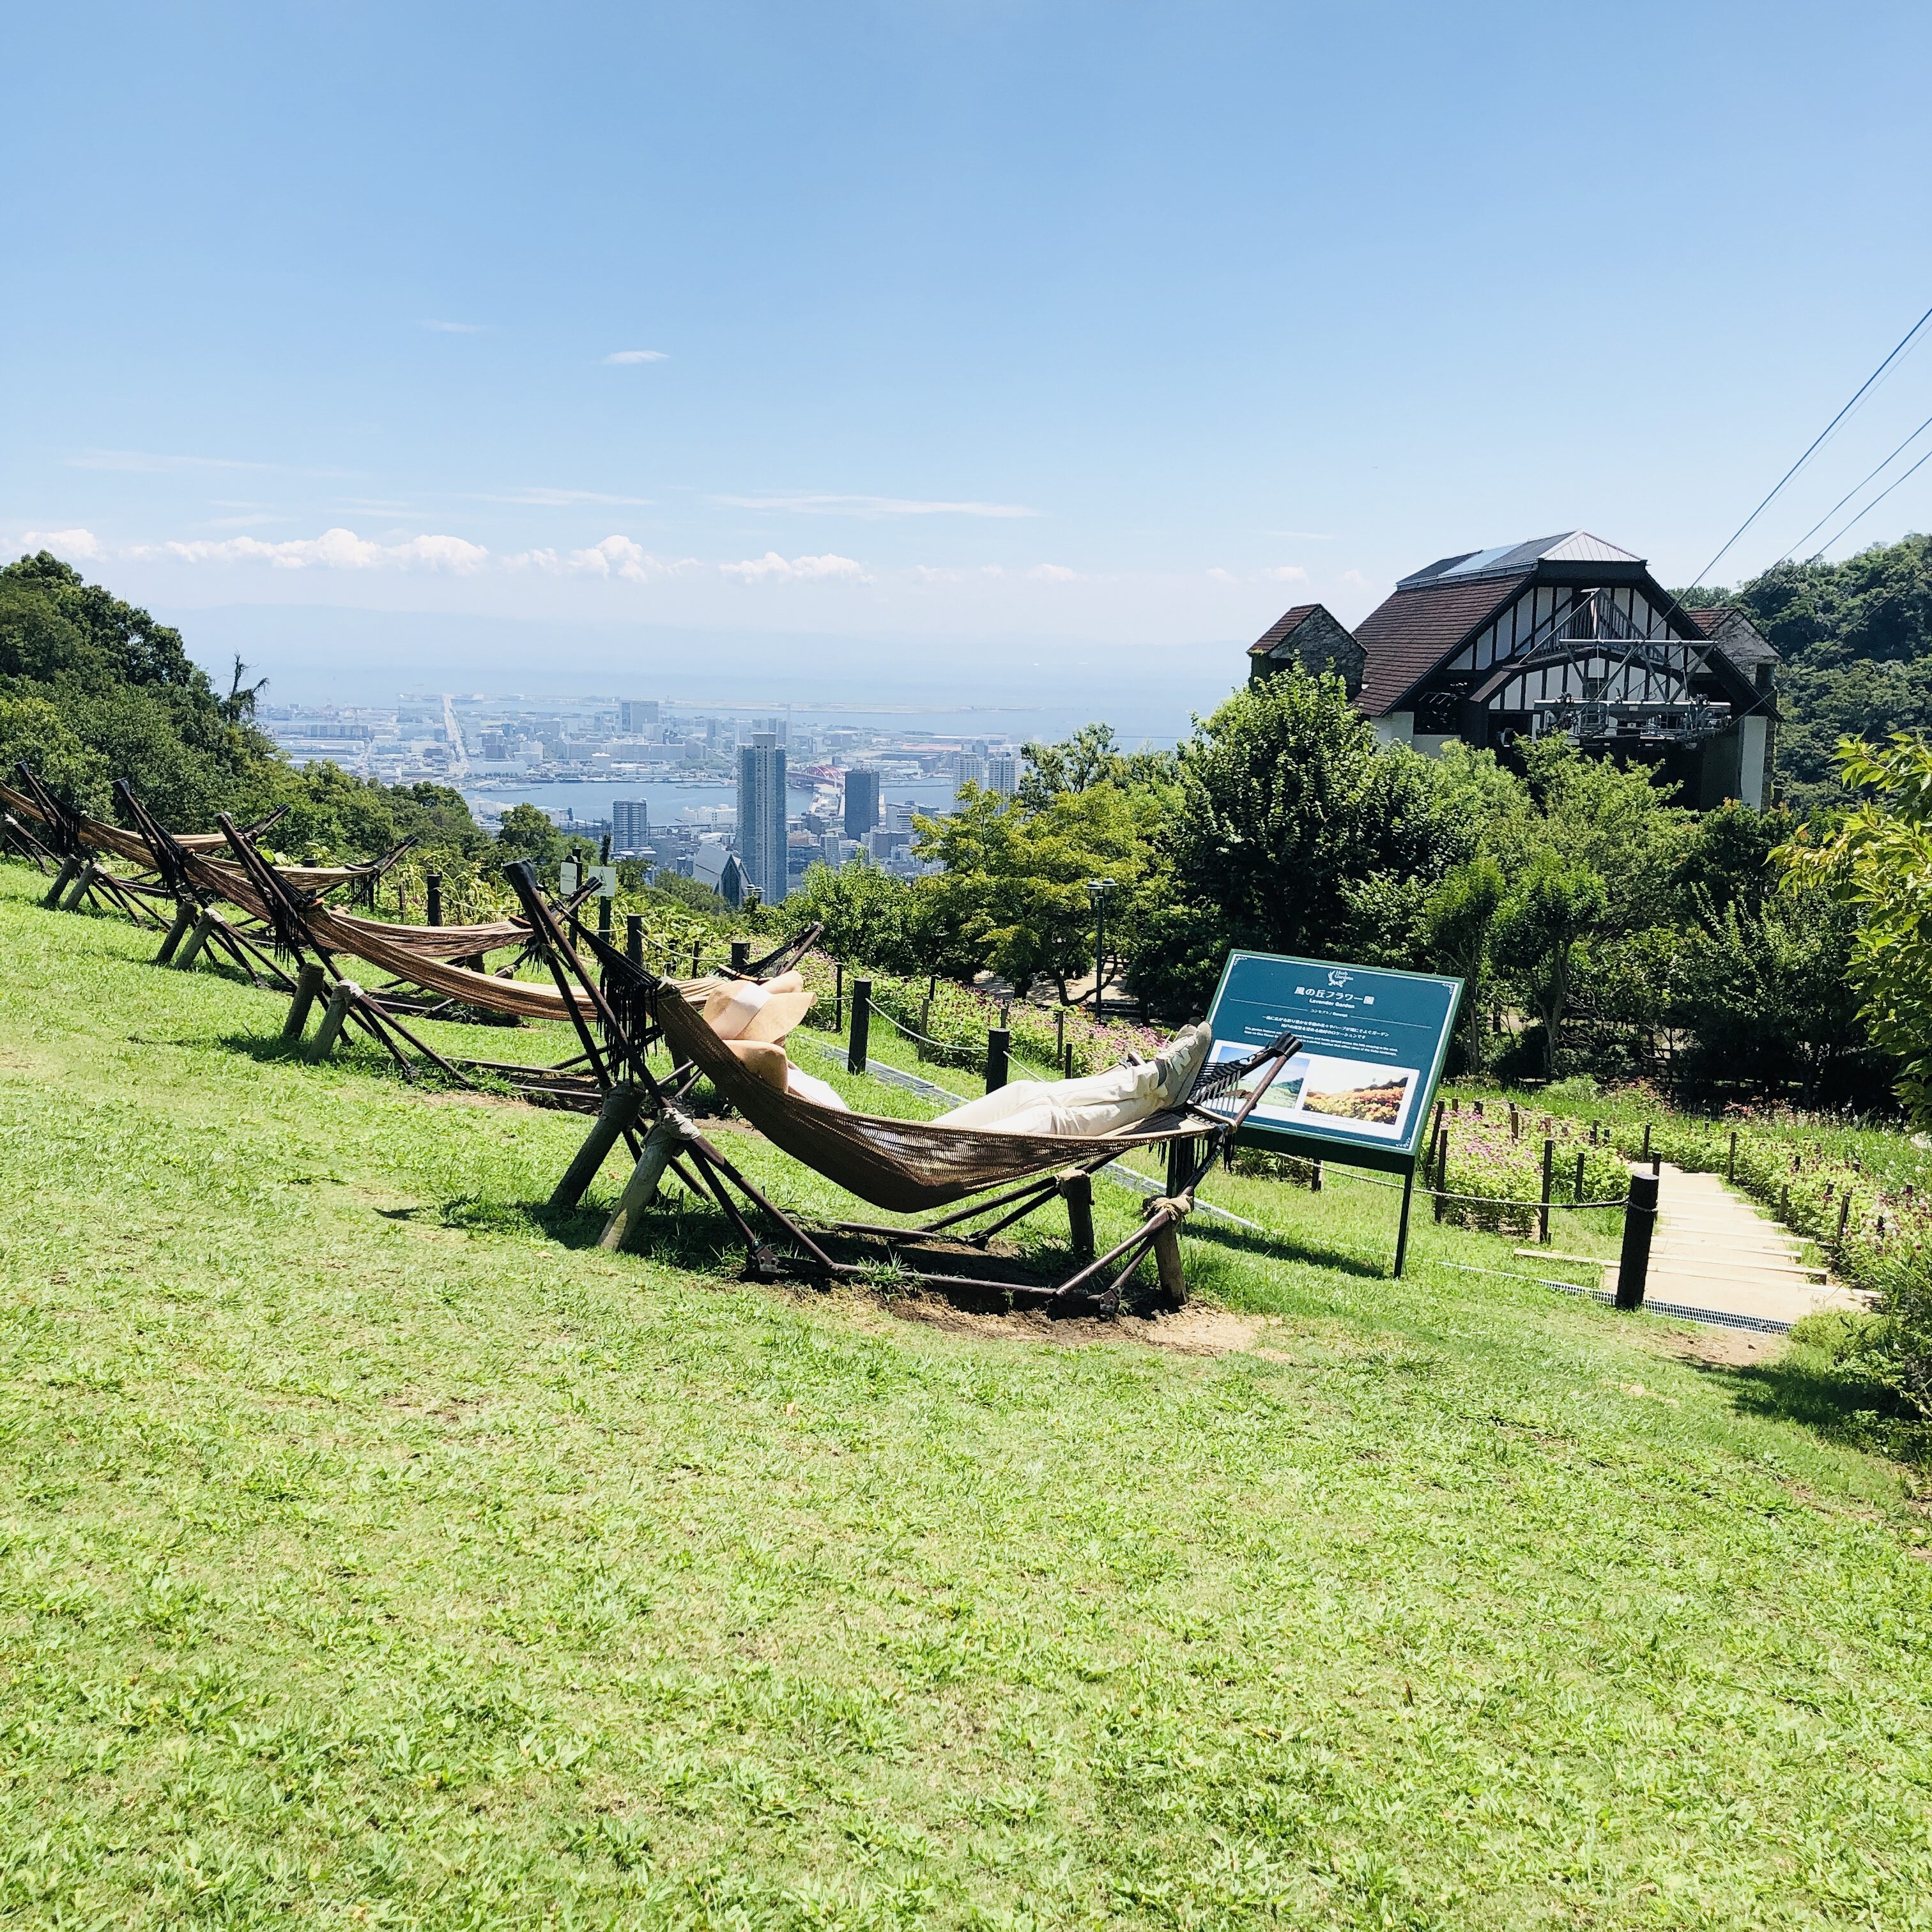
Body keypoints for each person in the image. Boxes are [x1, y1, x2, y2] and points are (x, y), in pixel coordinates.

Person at [930, 1023, 1213, 1137]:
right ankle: (1154, 1085)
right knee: (1048, 1118)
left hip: (913, 1144)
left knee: (1021, 1091)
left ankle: (1153, 1084)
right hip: (929, 1158)